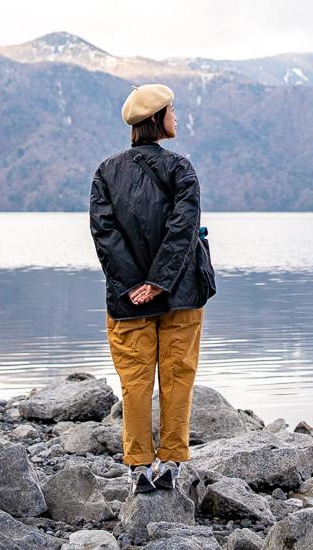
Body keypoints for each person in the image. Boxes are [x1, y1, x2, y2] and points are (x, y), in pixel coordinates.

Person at [89, 83, 216, 496]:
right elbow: (183, 230)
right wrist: (159, 282)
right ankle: (173, 464)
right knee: (178, 376)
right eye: (172, 111)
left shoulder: (105, 172)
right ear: (156, 119)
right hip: (181, 293)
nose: (176, 118)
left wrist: (134, 286)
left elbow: (104, 235)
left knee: (135, 380)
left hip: (127, 301)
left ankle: (139, 468)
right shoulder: (181, 169)